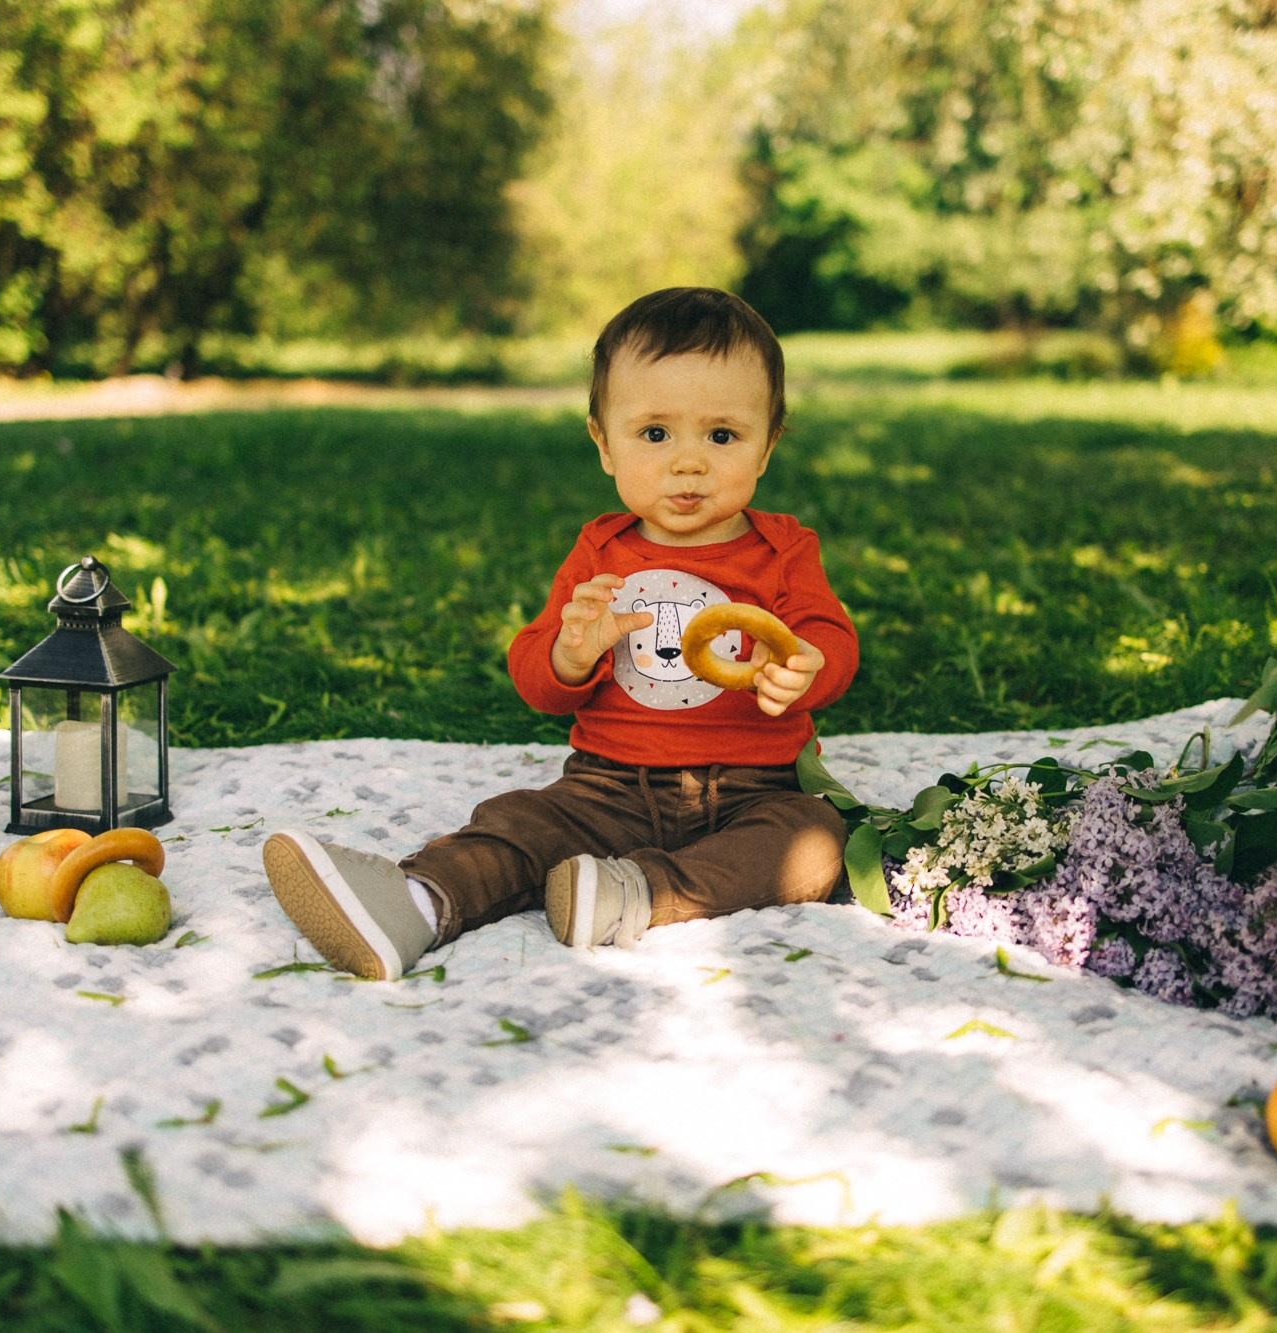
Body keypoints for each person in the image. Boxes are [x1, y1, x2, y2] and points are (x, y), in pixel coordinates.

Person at [262, 287, 858, 979]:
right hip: (607, 788)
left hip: (755, 787)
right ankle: (414, 901)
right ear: (603, 443)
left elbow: (829, 636)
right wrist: (571, 654)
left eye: (722, 435)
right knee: (518, 821)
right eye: (655, 433)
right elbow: (537, 678)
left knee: (814, 841)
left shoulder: (784, 548)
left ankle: (635, 893)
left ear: (767, 445)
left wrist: (809, 665)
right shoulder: (599, 553)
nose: (688, 461)